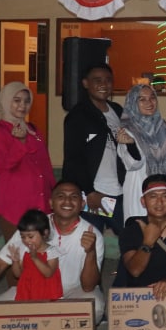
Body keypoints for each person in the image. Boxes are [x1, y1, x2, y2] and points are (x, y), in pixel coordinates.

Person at [0, 181, 106, 322]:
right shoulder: (33, 226)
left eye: (74, 197)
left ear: (82, 203)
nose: (67, 201)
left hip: (72, 293)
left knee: (95, 307)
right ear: (51, 202)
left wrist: (90, 252)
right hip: (32, 290)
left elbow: (88, 287)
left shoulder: (92, 234)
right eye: (61, 196)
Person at [0, 81, 55, 241]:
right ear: (6, 101)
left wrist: (53, 191)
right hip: (15, 204)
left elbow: (45, 165)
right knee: (17, 251)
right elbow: (3, 166)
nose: (22, 105)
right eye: (17, 100)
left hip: (41, 200)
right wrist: (20, 142)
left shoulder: (33, 129)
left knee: (41, 249)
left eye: (26, 101)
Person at [62, 63, 125, 234]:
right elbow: (74, 158)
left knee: (129, 240)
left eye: (108, 80)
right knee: (91, 242)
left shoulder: (118, 111)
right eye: (97, 80)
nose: (104, 84)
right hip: (94, 195)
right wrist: (89, 192)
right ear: (85, 83)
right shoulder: (78, 116)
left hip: (119, 191)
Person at [116, 83, 166, 220]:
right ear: (133, 103)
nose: (149, 103)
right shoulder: (127, 130)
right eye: (142, 99)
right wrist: (131, 144)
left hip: (165, 190)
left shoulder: (165, 129)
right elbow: (133, 164)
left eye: (152, 98)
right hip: (140, 191)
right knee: (141, 230)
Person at [4, 209, 63, 300]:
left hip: (47, 293)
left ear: (45, 233)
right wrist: (15, 261)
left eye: (30, 236)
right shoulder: (24, 250)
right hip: (27, 292)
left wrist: (35, 258)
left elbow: (48, 273)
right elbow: (18, 274)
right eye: (23, 237)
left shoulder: (51, 251)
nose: (26, 240)